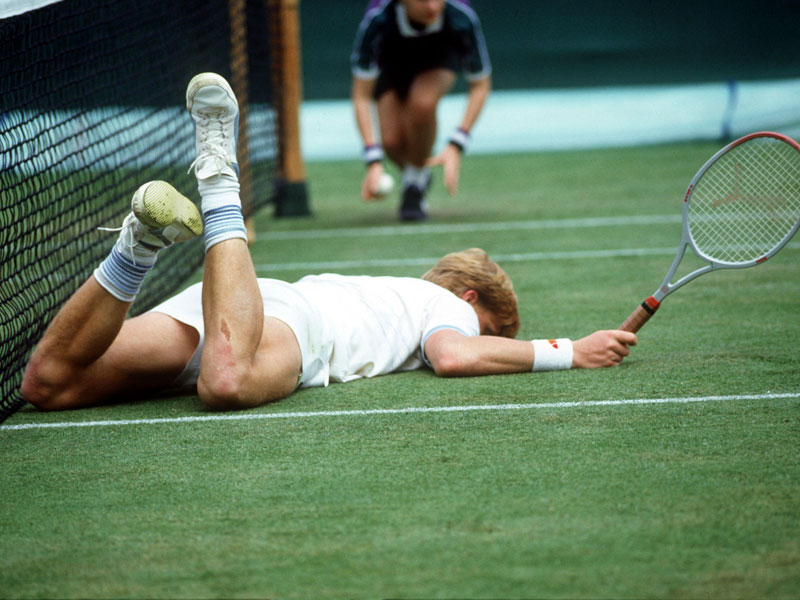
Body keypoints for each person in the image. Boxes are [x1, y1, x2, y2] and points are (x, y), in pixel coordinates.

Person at [20, 73, 637, 412]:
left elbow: (46, 383)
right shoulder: (444, 312)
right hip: (293, 324)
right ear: (470, 297)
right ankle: (218, 177)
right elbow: (454, 356)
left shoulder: (396, 296)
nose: (488, 345)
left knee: (50, 383)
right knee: (227, 383)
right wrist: (568, 351)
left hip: (246, 301)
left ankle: (138, 245)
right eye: (493, 329)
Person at [351, 0, 492, 220]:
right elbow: (361, 96)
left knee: (422, 104)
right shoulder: (378, 19)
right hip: (391, 65)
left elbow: (480, 85)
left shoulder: (460, 17)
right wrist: (374, 159)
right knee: (391, 142)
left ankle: (414, 186)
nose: (432, 7)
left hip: (439, 61)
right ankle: (418, 175)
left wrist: (457, 143)